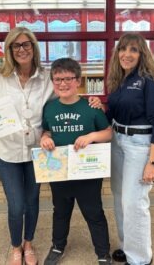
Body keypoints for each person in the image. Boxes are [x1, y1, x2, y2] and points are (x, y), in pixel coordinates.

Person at [0, 27, 101, 265]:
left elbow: (62, 102)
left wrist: (91, 100)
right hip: (8, 151)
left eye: (26, 44)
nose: (22, 49)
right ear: (10, 50)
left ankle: (28, 244)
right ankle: (15, 246)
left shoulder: (45, 78)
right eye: (16, 45)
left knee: (32, 201)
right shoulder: (0, 78)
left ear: (33, 47)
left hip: (38, 152)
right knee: (17, 205)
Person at [40, 57, 113, 265]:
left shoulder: (91, 107)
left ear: (78, 81)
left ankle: (102, 252)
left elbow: (108, 133)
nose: (62, 84)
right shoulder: (50, 108)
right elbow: (45, 130)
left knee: (94, 213)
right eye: (57, 79)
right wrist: (45, 138)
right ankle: (57, 246)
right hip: (59, 170)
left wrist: (91, 137)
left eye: (68, 79)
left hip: (87, 172)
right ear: (53, 82)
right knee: (60, 212)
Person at [106, 32, 154, 265]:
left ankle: (140, 259)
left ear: (142, 54)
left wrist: (152, 162)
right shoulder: (119, 81)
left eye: (133, 50)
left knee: (135, 203)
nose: (126, 54)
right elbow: (111, 114)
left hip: (139, 147)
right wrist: (97, 106)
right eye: (122, 49)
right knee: (121, 198)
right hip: (118, 142)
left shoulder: (148, 80)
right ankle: (127, 246)